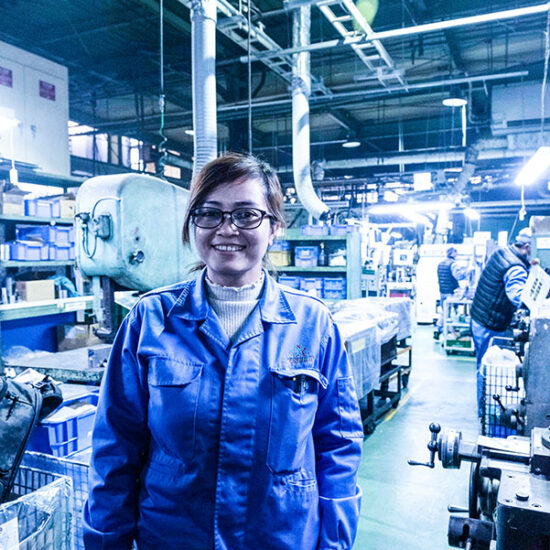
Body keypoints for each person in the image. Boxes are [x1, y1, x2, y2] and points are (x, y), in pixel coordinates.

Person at [83, 153, 364, 550]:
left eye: (246, 215)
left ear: (274, 227)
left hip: (280, 539)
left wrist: (334, 543)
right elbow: (116, 448)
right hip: (174, 540)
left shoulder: (313, 326)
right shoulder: (149, 321)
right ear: (192, 224)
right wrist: (105, 542)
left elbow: (338, 446)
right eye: (210, 214)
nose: (226, 228)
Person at [470, 228, 532, 417]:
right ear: (527, 247)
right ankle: (485, 413)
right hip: (489, 322)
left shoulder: (503, 252)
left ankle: (484, 407)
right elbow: (519, 297)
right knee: (487, 367)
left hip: (480, 316)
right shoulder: (515, 267)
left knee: (483, 363)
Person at [434, 246, 468, 340]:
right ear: (452, 253)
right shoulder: (453, 264)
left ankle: (439, 329)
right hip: (451, 292)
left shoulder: (440, 264)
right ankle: (447, 332)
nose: (457, 254)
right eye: (456, 252)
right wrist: (467, 272)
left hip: (442, 291)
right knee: (450, 314)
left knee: (444, 311)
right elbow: (459, 276)